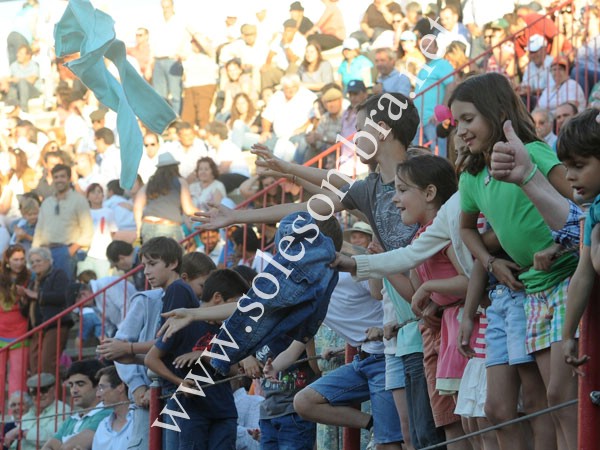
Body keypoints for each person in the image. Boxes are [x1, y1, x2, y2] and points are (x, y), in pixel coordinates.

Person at [450, 72, 577, 450]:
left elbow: (579, 201)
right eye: (457, 122)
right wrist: (491, 262)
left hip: (565, 280)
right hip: (533, 291)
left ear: (498, 112)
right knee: (552, 399)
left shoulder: (533, 152)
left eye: (469, 119)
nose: (461, 130)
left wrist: (559, 247)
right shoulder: (472, 177)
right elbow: (467, 230)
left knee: (560, 397)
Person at [145, 269, 250, 449]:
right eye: (234, 304)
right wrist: (179, 382)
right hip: (191, 411)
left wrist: (205, 356)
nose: (235, 312)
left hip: (224, 410)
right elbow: (151, 359)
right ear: (218, 298)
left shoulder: (227, 331)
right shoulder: (183, 323)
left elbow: (235, 371)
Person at [31, 163, 94, 281]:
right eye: (56, 177)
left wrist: (70, 251)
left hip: (66, 251)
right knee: (41, 287)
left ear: (69, 179)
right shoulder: (47, 202)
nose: (59, 180)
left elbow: (87, 230)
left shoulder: (79, 200)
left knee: (63, 288)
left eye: (62, 176)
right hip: (44, 252)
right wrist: (35, 251)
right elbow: (39, 230)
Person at [20, 247, 73, 376]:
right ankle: (41, 390)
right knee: (35, 367)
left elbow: (63, 297)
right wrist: (24, 299)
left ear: (48, 261)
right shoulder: (33, 282)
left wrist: (37, 295)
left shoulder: (58, 274)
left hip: (54, 325)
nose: (35, 264)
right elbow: (26, 312)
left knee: (48, 364)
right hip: (37, 329)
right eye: (32, 262)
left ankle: (54, 390)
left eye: (38, 261)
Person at [42, 359, 111, 450]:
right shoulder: (71, 420)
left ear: (98, 386)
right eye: (71, 385)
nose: (74, 390)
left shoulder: (106, 414)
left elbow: (70, 447)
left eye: (80, 384)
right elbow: (48, 446)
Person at [133, 152, 197, 243]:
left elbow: (137, 206)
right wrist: (204, 214)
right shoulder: (181, 182)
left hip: (148, 225)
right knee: (174, 252)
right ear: (175, 167)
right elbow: (188, 209)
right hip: (168, 227)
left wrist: (139, 229)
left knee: (150, 252)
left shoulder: (150, 183)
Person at [0, 244, 30, 412]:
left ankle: (16, 415)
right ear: (7, 261)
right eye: (15, 260)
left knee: (18, 377)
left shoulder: (30, 276)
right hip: (0, 329)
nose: (19, 263)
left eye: (21, 259)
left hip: (21, 331)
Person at [5, 374, 70, 450]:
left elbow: (51, 438)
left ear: (53, 390)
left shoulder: (62, 409)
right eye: (34, 392)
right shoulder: (30, 412)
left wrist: (21, 432)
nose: (39, 395)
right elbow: (15, 442)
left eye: (43, 390)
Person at [180, 33, 217, 130]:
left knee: (203, 116)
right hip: (189, 88)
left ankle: (205, 135)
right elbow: (179, 52)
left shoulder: (209, 55)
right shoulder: (188, 56)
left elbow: (207, 47)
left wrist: (193, 32)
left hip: (205, 86)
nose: (195, 46)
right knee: (187, 117)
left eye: (197, 43)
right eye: (193, 43)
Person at [92, 366, 134, 449]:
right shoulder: (103, 426)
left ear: (120, 387)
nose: (98, 395)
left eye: (102, 388)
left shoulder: (139, 419)